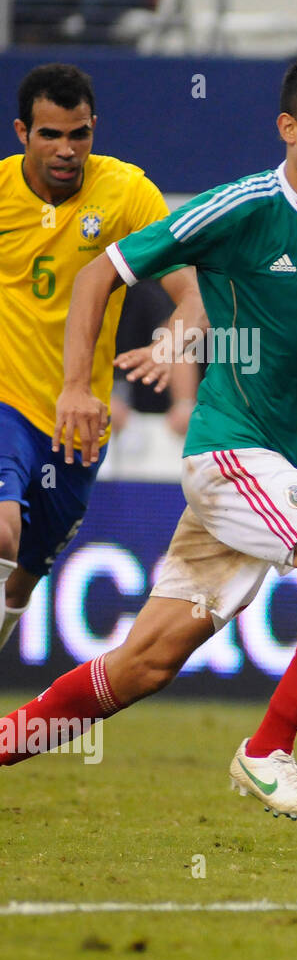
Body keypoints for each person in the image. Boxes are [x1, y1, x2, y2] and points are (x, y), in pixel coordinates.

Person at [0, 53, 297, 823]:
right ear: (288, 128)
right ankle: (269, 750)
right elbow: (101, 273)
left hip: (274, 466)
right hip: (230, 454)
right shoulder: (238, 208)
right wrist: (74, 386)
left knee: (146, 664)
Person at [1, 62, 201, 655]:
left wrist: (171, 343)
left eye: (79, 134)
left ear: (95, 130)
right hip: (6, 400)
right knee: (4, 528)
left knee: (27, 573)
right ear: (21, 133)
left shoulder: (126, 193)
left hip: (78, 422)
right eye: (50, 134)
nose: (66, 150)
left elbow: (194, 296)